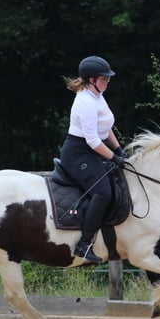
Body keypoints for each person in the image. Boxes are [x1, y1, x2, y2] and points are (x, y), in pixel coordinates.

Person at [60, 55, 128, 263]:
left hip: (93, 150)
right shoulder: (85, 101)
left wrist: (119, 149)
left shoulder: (97, 95)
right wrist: (114, 158)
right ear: (91, 80)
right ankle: (84, 244)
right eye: (103, 78)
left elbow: (105, 128)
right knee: (103, 192)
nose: (107, 81)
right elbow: (92, 141)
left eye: (107, 78)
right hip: (78, 153)